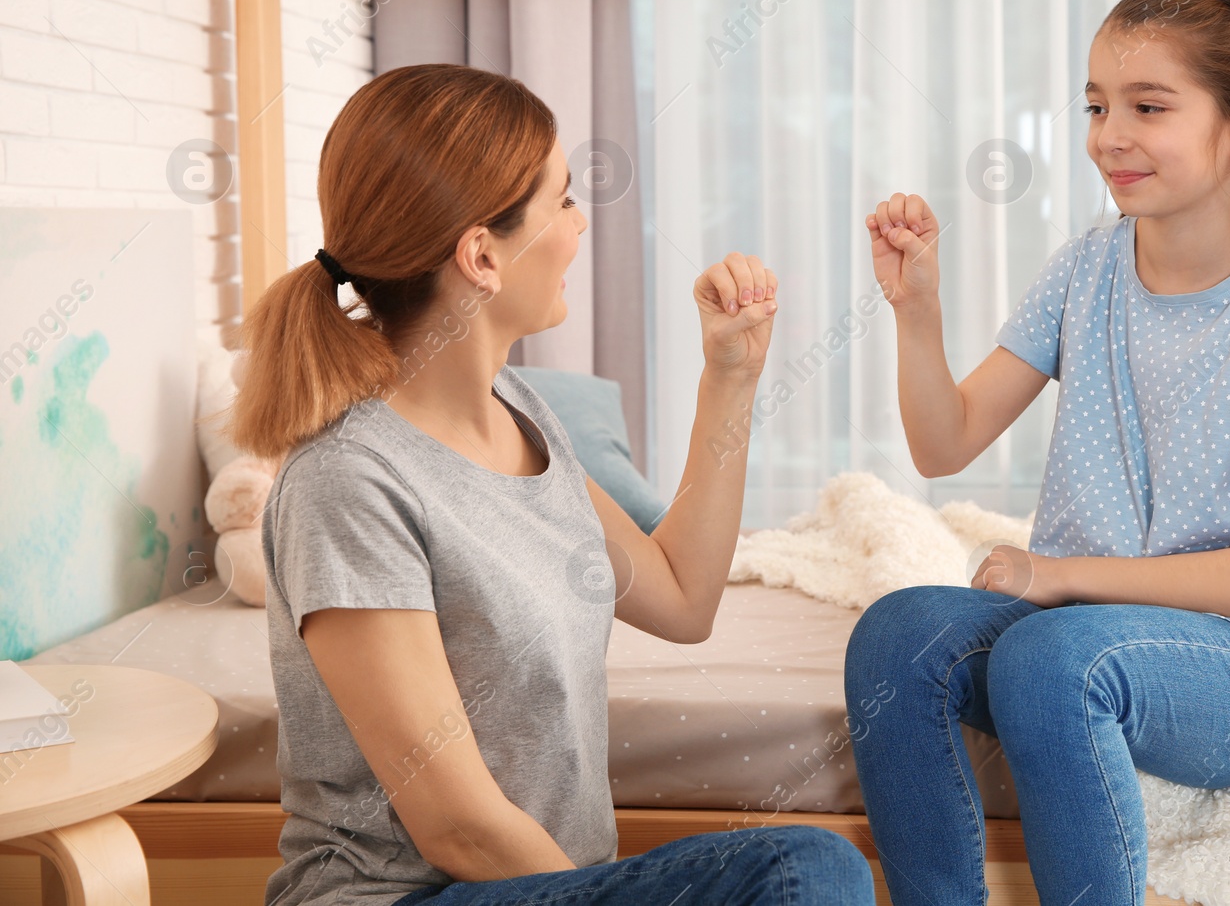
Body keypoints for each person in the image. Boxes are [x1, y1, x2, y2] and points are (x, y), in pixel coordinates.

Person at [227, 64, 875, 906]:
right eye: (563, 202)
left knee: (809, 870)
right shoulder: (349, 481)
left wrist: (732, 378)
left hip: (544, 890)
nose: (579, 229)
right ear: (481, 255)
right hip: (404, 897)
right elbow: (457, 825)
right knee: (806, 873)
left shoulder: (522, 412)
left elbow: (682, 599)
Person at [844, 0, 1230, 906]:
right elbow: (945, 444)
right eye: (1098, 105)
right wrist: (917, 308)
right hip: (1078, 633)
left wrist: (1056, 575)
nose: (1110, 135)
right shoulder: (1085, 269)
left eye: (1148, 106)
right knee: (897, 633)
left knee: (1053, 655)